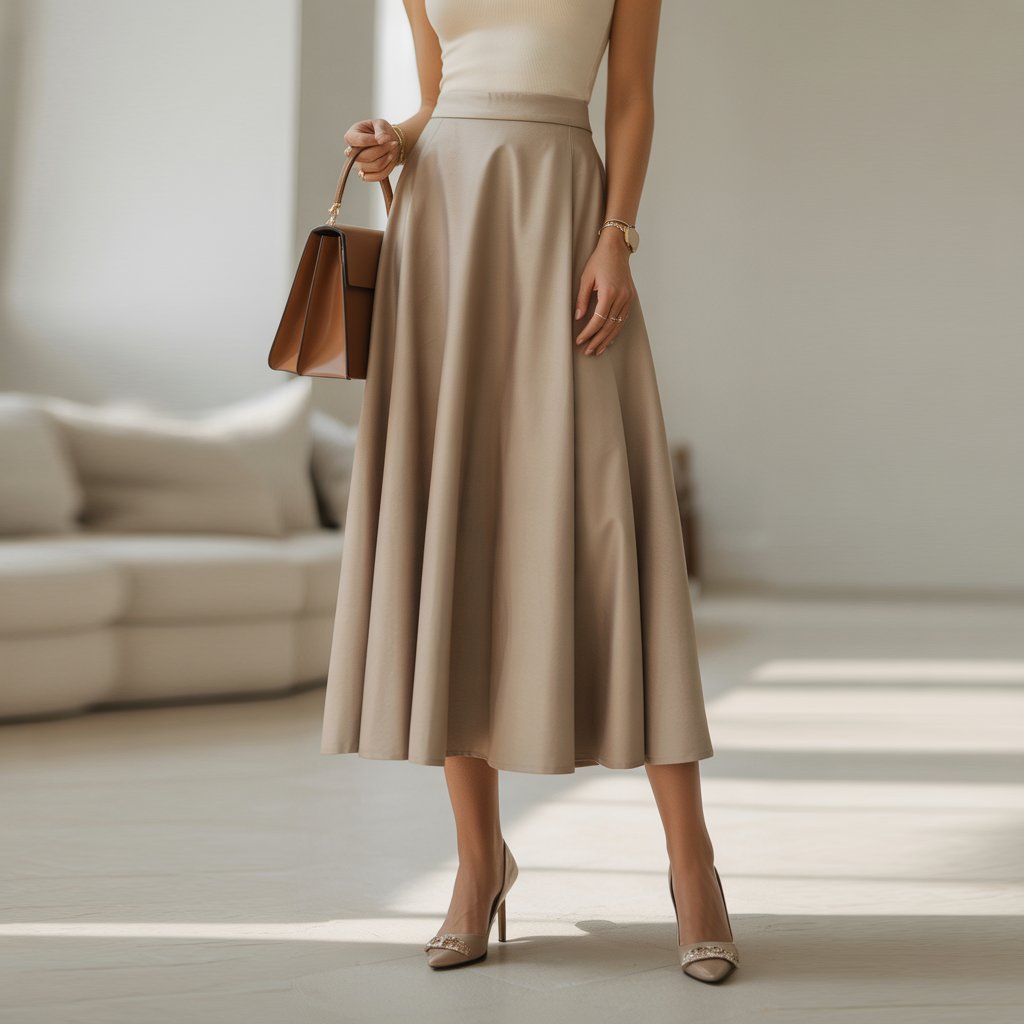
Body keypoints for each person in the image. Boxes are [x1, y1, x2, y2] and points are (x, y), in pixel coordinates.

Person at [320, 0, 739, 984]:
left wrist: (616, 237)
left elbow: (630, 99)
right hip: (443, 225)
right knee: (457, 517)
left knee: (607, 519)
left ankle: (694, 865)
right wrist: (387, 143)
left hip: (560, 210)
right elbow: (437, 102)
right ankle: (478, 864)